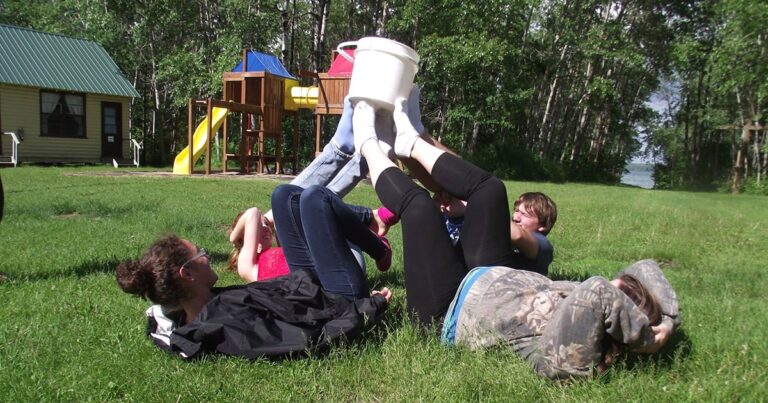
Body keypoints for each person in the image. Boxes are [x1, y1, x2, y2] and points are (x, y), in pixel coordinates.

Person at [352, 98, 679, 380]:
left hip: (444, 314)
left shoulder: (576, 356)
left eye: (617, 297)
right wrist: (668, 320)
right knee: (491, 189)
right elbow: (644, 267)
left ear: (624, 325)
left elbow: (599, 292)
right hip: (478, 274)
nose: (611, 284)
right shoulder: (595, 310)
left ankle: (366, 141)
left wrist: (648, 338)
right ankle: (410, 142)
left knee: (419, 209)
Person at [116, 234, 391, 360]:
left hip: (314, 282)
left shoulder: (207, 305)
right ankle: (379, 232)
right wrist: (371, 306)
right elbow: (310, 339)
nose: (207, 255)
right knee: (314, 200)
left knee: (287, 196)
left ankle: (376, 233)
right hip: (340, 291)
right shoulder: (229, 324)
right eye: (200, 254)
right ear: (187, 274)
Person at [227, 203, 392, 283]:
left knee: (312, 205)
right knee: (317, 208)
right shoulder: (248, 268)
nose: (265, 227)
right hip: (341, 275)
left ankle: (377, 241)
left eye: (266, 224)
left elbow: (278, 216)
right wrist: (234, 237)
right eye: (259, 225)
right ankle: (375, 226)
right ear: (245, 236)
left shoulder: (283, 251)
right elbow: (252, 213)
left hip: (343, 258)